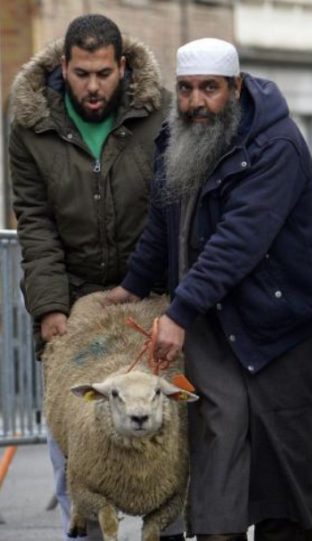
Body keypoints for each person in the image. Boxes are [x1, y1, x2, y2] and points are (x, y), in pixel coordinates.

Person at [105, 37, 312, 541]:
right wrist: (129, 289)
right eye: (187, 89)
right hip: (216, 321)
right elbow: (162, 221)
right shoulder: (175, 138)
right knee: (219, 453)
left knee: (287, 470)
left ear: (236, 89)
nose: (197, 103)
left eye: (210, 89)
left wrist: (179, 312)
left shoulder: (277, 144)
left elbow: (241, 238)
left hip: (286, 327)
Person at [7, 14, 180, 541]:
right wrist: (50, 309)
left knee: (167, 436)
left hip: (149, 298)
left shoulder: (161, 116)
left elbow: (173, 209)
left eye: (103, 73)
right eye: (81, 73)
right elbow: (33, 222)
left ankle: (169, 530)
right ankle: (79, 532)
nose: (92, 86)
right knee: (75, 444)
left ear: (122, 67)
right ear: (64, 66)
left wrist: (177, 300)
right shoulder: (29, 127)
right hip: (77, 304)